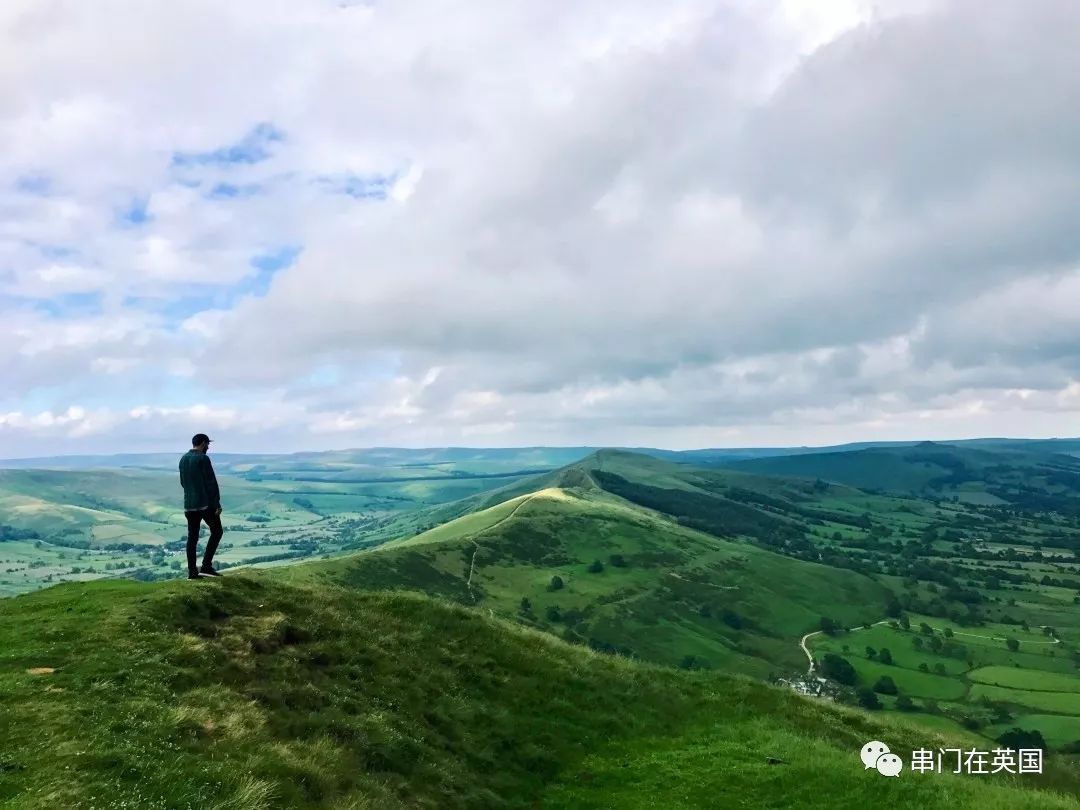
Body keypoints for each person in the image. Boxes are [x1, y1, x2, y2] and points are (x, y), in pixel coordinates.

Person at [179, 433, 224, 579]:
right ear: (203, 443)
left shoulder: (183, 459)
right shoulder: (203, 458)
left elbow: (182, 483)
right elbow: (211, 483)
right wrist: (216, 503)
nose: (208, 447)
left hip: (189, 506)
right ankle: (206, 566)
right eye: (208, 444)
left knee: (192, 538)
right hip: (205, 505)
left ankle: (192, 573)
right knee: (217, 532)